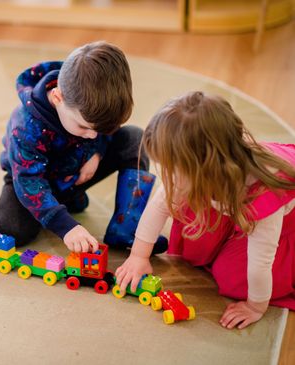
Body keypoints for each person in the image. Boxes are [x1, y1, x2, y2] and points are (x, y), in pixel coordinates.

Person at [115, 91, 295, 329]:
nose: (170, 176)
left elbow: (261, 263)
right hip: (229, 198)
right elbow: (160, 205)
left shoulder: (264, 194)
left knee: (232, 280)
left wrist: (255, 306)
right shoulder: (205, 169)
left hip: (282, 226)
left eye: (174, 169)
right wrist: (139, 256)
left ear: (202, 168)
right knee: (192, 239)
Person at [0, 41, 168, 254]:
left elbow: (100, 132)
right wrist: (67, 227)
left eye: (99, 129)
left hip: (77, 171)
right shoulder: (25, 126)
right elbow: (28, 181)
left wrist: (97, 150)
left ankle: (125, 228)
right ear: (57, 97)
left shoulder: (91, 99)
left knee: (134, 139)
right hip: (33, 181)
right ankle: (60, 205)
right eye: (84, 127)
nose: (93, 134)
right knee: (10, 230)